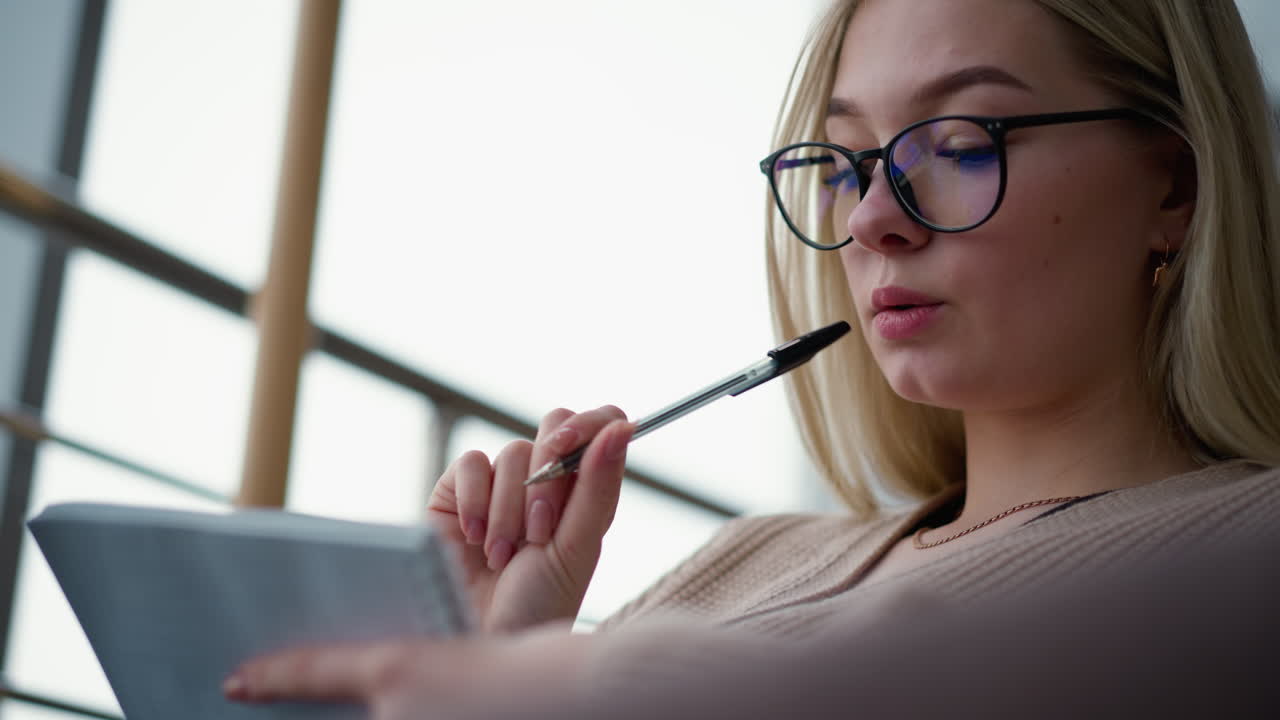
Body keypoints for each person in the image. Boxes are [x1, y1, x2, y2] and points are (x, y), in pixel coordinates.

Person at [225, 0, 1280, 712]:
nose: (872, 220)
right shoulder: (744, 559)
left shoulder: (1248, 554)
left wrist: (587, 685)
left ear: (1172, 189)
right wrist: (493, 646)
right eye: (843, 162)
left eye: (960, 145)